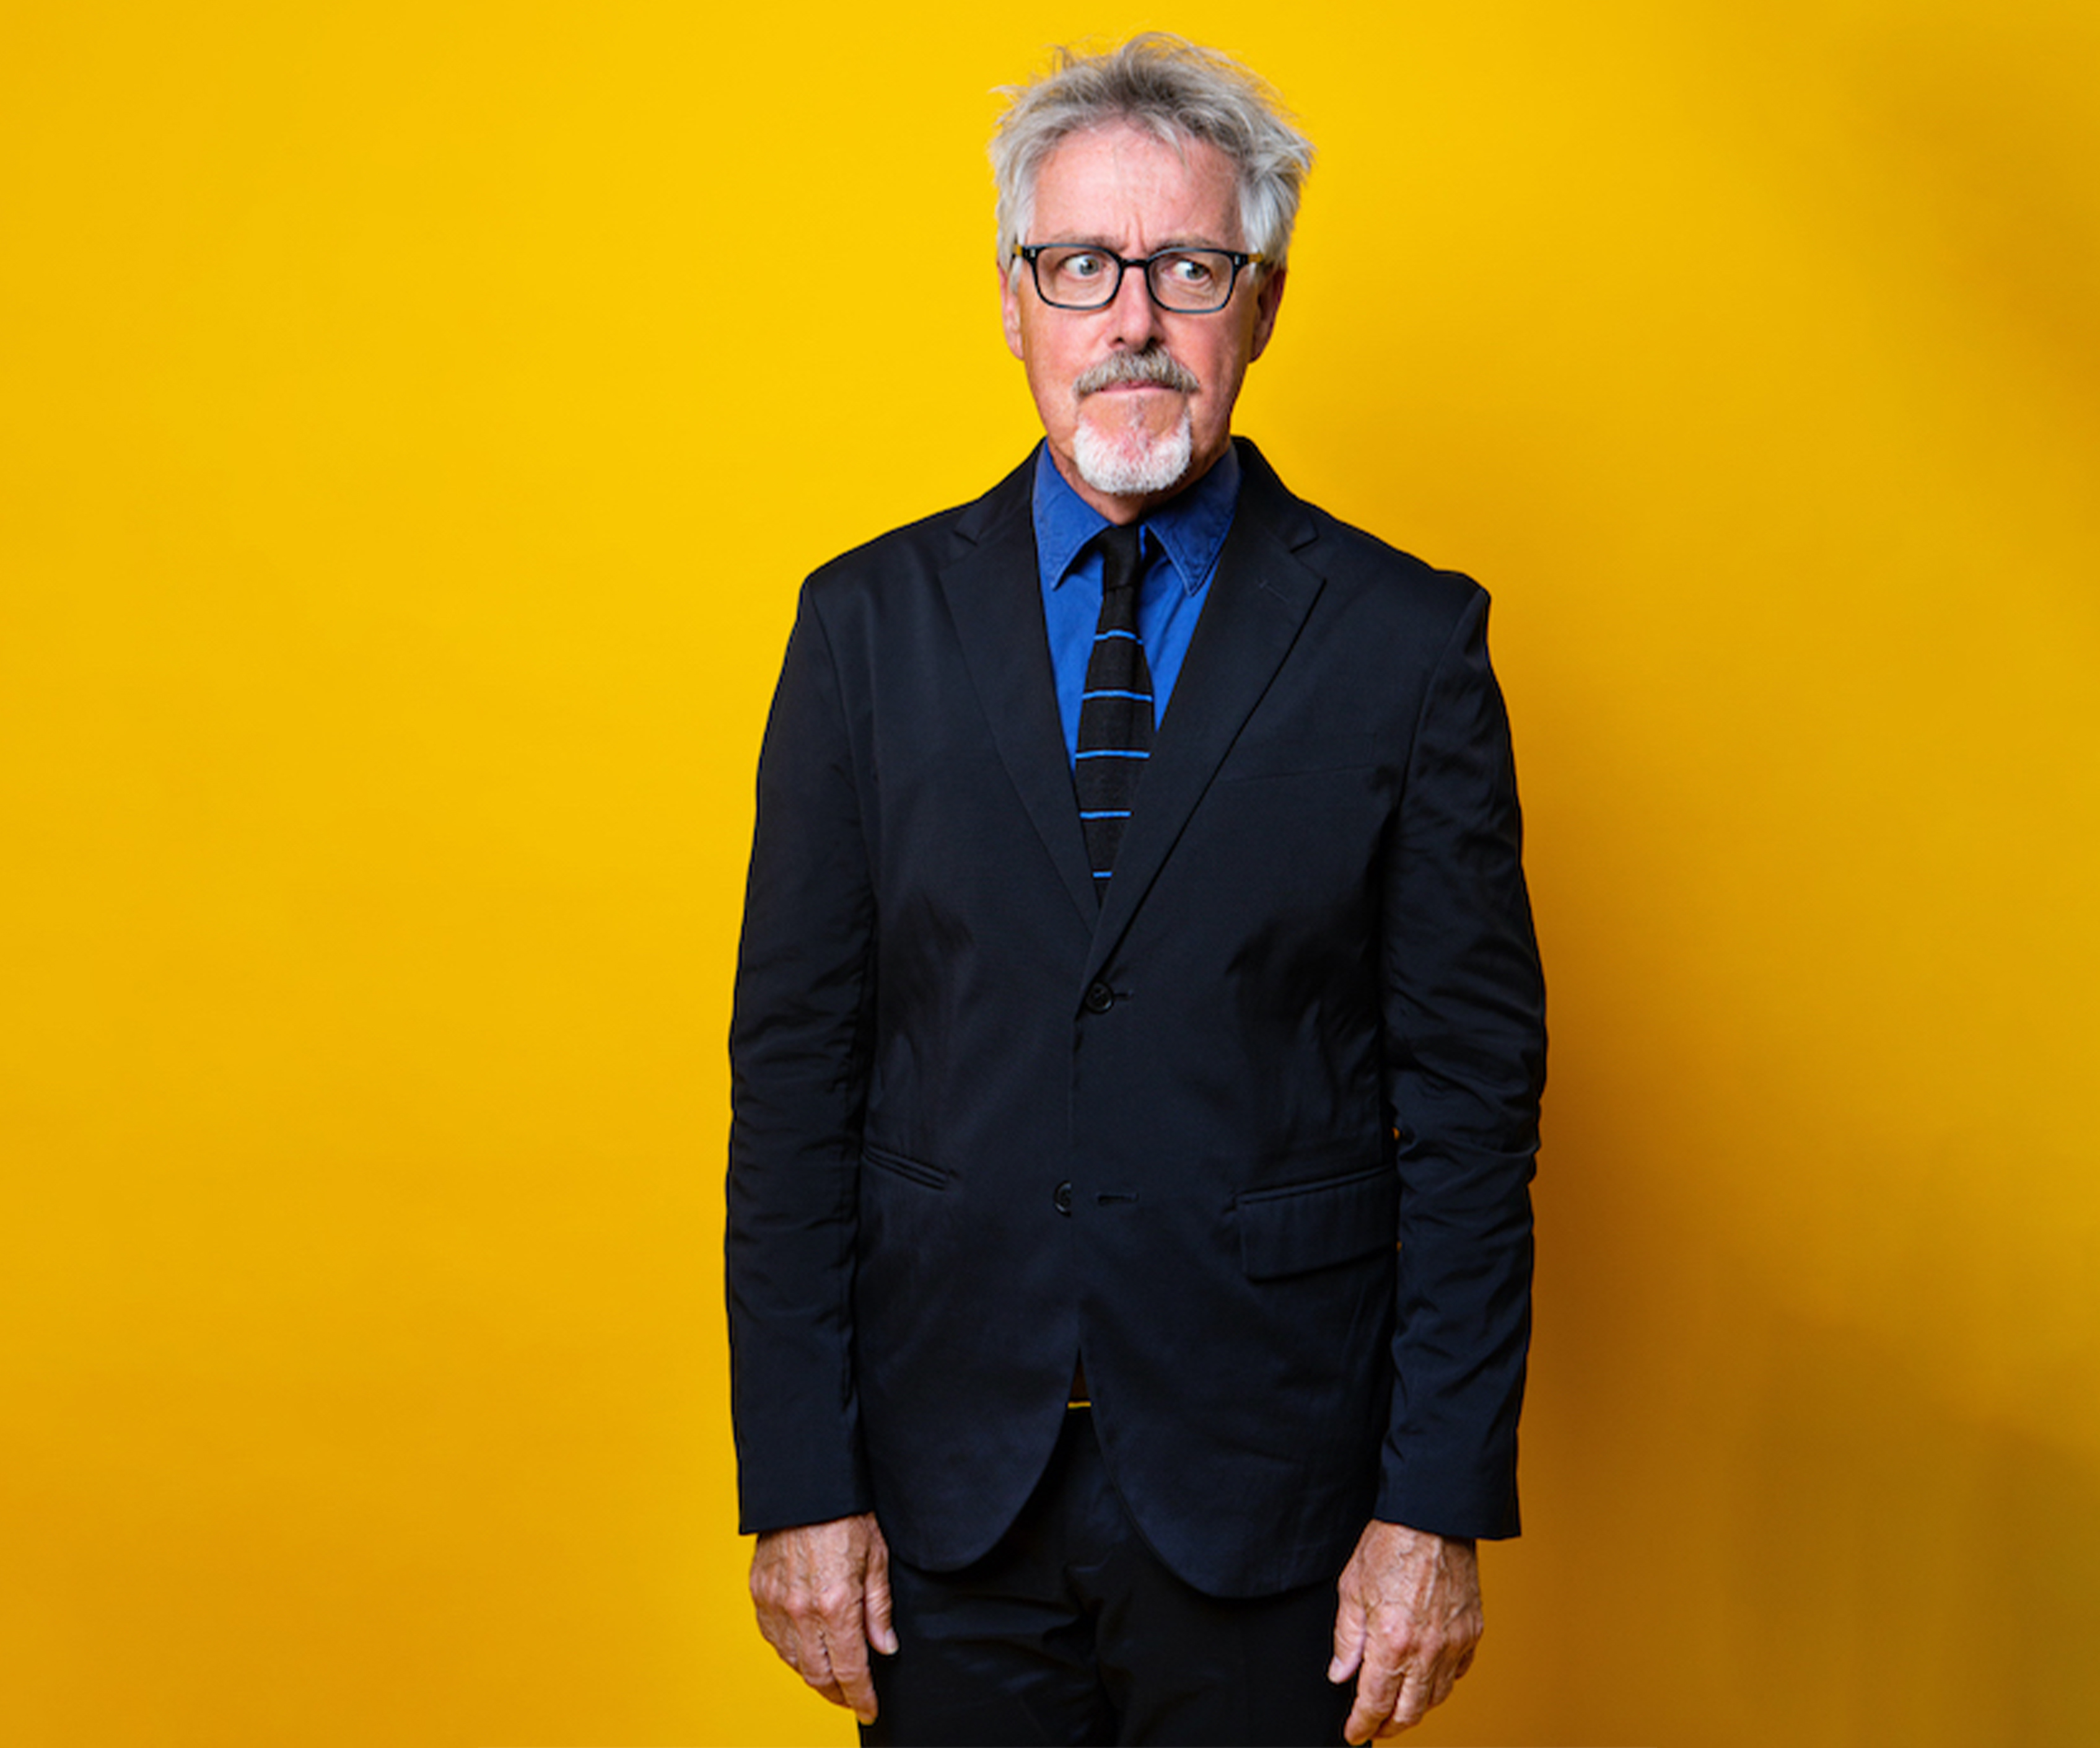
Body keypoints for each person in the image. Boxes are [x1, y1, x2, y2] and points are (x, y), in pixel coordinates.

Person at [726, 33, 1545, 1747]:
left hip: (1279, 1498)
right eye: (1081, 266)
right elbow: (795, 1080)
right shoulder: (863, 629)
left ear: (1262, 304)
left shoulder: (1405, 642)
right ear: (1015, 301)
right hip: (939, 1494)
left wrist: (1434, 1508)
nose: (1133, 321)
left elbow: (1473, 1107)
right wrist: (798, 1478)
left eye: (1189, 267)